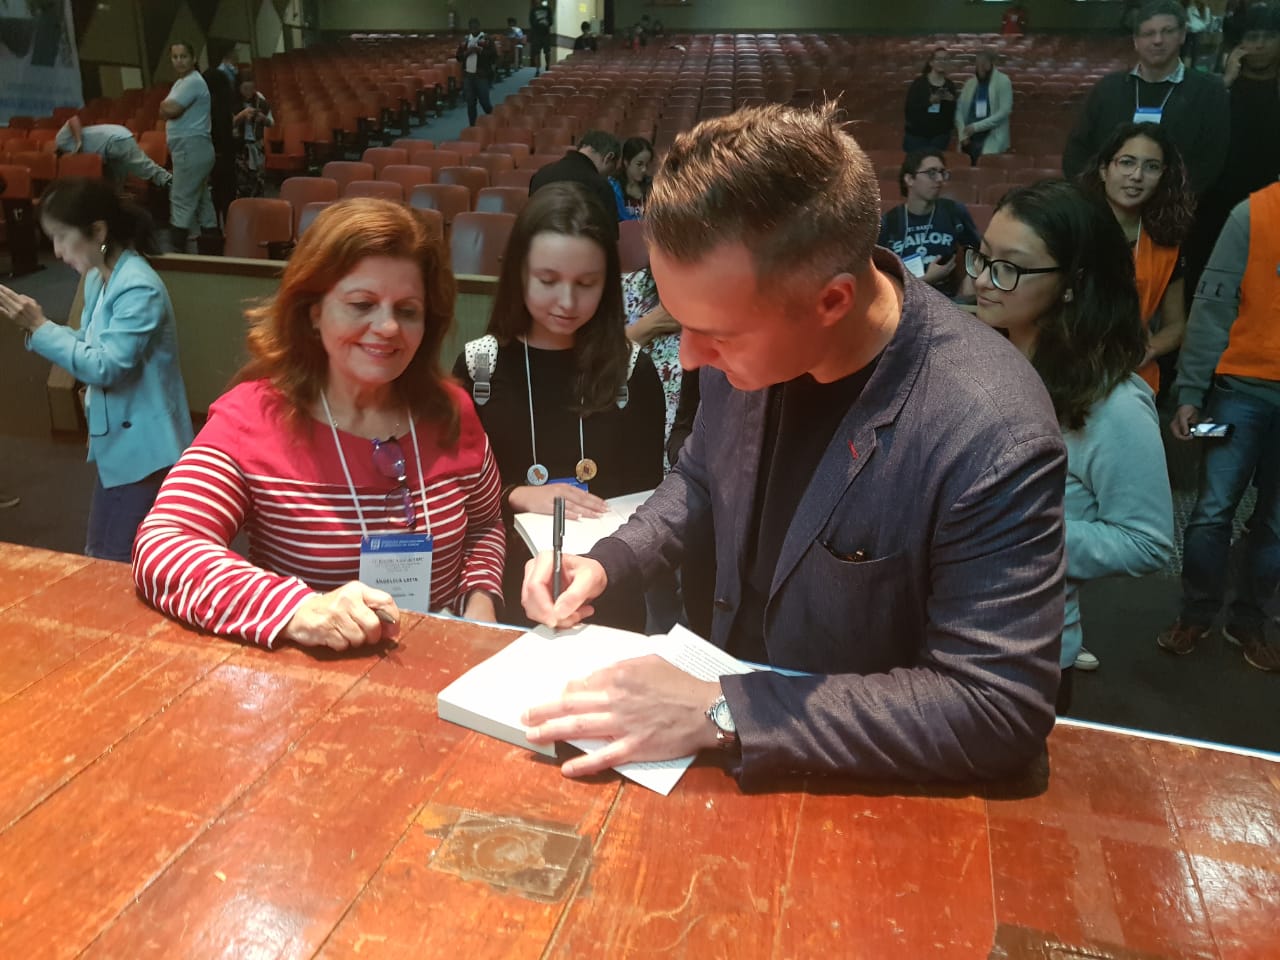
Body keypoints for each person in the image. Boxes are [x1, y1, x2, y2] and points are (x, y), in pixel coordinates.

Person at [518, 104, 1067, 786]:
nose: (688, 358)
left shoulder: (991, 429)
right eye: (681, 323)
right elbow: (701, 476)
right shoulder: (745, 334)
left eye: (717, 333)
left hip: (865, 792)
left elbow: (996, 708)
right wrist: (609, 563)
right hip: (718, 732)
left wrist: (725, 713)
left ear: (831, 302)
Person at [133, 198, 505, 649]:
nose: (388, 327)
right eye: (362, 304)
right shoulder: (253, 416)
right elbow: (164, 545)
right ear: (314, 311)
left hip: (442, 661)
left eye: (407, 310)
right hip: (314, 671)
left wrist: (480, 599)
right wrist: (298, 609)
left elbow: (486, 526)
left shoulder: (452, 408)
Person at [969, 180, 1174, 690]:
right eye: (984, 257)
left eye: (1010, 267)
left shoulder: (1112, 404)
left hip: (1021, 654)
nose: (984, 281)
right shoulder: (975, 355)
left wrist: (1019, 536)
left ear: (1072, 283)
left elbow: (1146, 542)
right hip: (933, 632)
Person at [452, 183, 664, 627]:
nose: (567, 302)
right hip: (504, 587)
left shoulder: (632, 371)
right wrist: (516, 494)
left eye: (586, 284)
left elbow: (648, 496)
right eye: (548, 281)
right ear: (520, 274)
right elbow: (456, 495)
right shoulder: (479, 367)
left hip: (602, 588)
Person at [0, 177, 193, 562]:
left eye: (61, 237)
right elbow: (90, 346)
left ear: (98, 231)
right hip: (119, 441)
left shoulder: (137, 286)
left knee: (114, 561)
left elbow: (105, 367)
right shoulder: (98, 277)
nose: (57, 252)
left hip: (145, 449)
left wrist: (40, 326)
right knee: (100, 554)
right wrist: (40, 329)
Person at [1156, 181, 1280, 672]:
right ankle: (1196, 613)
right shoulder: (1252, 215)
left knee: (1276, 525)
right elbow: (1212, 309)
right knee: (1212, 511)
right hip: (1239, 394)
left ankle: (1248, 621)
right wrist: (1190, 393)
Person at [1077, 122, 1195, 400]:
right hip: (1066, 368)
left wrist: (1146, 350)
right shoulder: (1071, 227)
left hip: (1131, 378)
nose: (1137, 176)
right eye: (1127, 162)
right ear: (1104, 169)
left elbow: (1176, 326)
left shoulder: (1166, 244)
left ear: (1163, 176)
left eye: (1151, 167)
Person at [1063, 1, 1229, 195]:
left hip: (1178, 207)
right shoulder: (1107, 88)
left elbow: (1210, 161)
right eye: (1148, 33)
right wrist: (1104, 196)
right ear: (1136, 41)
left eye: (1167, 31)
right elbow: (1077, 153)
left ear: (1182, 35)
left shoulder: (1209, 91)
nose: (1158, 40)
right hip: (1106, 206)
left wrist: (1166, 201)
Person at [1186, 3, 1280, 299]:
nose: (1260, 45)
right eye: (1252, 37)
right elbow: (1191, 138)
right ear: (1239, 43)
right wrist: (1224, 82)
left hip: (1273, 203)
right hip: (1217, 203)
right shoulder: (1214, 89)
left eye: (1269, 36)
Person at [877, 150, 982, 299]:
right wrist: (928, 279)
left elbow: (980, 252)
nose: (940, 179)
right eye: (931, 173)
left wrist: (970, 280)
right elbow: (879, 275)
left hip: (946, 300)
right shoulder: (890, 221)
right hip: (904, 301)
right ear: (909, 179)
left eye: (942, 173)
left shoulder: (953, 212)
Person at [159, 40, 217, 253]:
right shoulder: (181, 83)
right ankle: (213, 252)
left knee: (180, 199)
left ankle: (178, 254)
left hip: (191, 147)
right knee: (202, 201)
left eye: (183, 56)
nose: (179, 61)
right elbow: (164, 110)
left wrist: (164, 106)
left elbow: (169, 110)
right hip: (191, 148)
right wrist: (164, 108)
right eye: (175, 57)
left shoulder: (193, 82)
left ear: (193, 59)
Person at [529, 129, 620, 234]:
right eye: (611, 169)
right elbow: (609, 236)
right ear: (609, 157)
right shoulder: (601, 186)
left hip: (539, 241)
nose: (609, 176)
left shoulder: (541, 174)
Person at [54, 117, 172, 190]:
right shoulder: (71, 152)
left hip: (114, 139)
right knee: (115, 182)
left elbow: (73, 119)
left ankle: (174, 185)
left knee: (145, 168)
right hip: (109, 148)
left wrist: (79, 141)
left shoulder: (60, 140)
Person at [202, 39, 239, 230]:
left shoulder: (202, 110)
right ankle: (229, 229)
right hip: (224, 154)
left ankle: (215, 230)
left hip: (209, 154)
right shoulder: (223, 109)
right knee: (227, 194)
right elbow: (228, 135)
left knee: (214, 195)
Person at [955, 51, 1014, 164]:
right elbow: (959, 110)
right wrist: (962, 135)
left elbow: (1004, 112)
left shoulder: (1003, 81)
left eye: (984, 64)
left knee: (985, 166)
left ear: (992, 64)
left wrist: (976, 127)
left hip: (991, 135)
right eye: (977, 65)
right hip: (968, 137)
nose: (980, 68)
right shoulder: (970, 83)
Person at [902, 47, 958, 152]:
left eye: (945, 59)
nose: (942, 62)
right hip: (917, 136)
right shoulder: (919, 83)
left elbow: (950, 118)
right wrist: (929, 102)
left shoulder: (949, 85)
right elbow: (909, 111)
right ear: (931, 63)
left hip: (939, 137)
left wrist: (951, 102)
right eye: (939, 59)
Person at [231, 72, 273, 199]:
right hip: (240, 147)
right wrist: (241, 116)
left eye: (251, 89)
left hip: (257, 146)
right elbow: (228, 125)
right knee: (242, 183)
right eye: (245, 89)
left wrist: (263, 118)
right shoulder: (232, 102)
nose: (248, 92)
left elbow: (271, 123)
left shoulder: (260, 101)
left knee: (259, 182)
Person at [456, 18, 496, 128]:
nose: (473, 29)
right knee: (470, 103)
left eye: (475, 26)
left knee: (485, 103)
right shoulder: (465, 40)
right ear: (469, 28)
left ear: (479, 26)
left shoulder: (487, 39)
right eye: (471, 27)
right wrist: (467, 52)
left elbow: (494, 56)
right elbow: (458, 57)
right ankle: (472, 127)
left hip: (481, 75)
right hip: (468, 76)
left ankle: (494, 123)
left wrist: (480, 51)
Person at [610, 136, 652, 221]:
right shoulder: (613, 185)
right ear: (626, 162)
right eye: (639, 164)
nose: (644, 169)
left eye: (647, 164)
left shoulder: (651, 186)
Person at [1183, 1, 1211, 66]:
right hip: (1189, 32)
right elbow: (1187, 20)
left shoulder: (1205, 9)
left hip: (1199, 33)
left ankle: (1193, 66)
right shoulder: (1190, 8)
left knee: (1195, 51)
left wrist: (1197, 27)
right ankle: (1185, 66)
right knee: (1186, 51)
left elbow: (1207, 22)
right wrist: (1189, 25)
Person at [529, 0, 552, 75]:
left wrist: (546, 23)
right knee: (537, 52)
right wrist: (539, 22)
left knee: (547, 52)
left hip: (545, 33)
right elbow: (531, 22)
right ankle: (537, 69)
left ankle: (547, 66)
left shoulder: (547, 9)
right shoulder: (533, 10)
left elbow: (551, 21)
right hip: (536, 34)